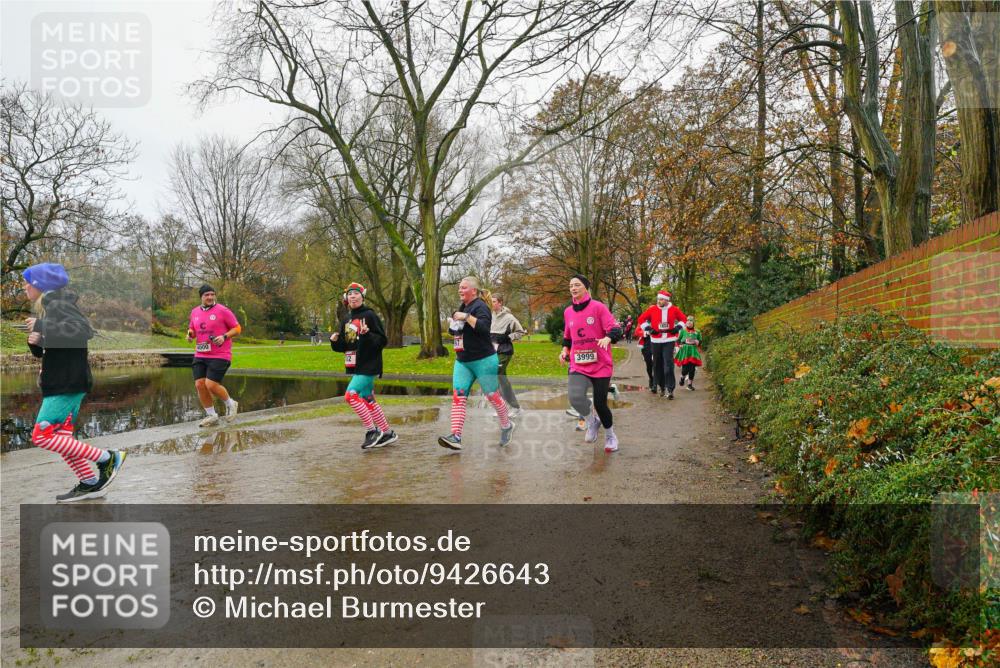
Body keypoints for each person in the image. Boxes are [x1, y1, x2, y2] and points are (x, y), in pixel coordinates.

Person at [22, 263, 127, 502]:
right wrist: (36, 342)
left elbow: (82, 331)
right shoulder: (50, 308)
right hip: (63, 381)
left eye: (28, 281)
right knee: (63, 439)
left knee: (41, 435)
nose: (25, 286)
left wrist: (41, 326)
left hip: (66, 383)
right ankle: (90, 482)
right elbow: (55, 348)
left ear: (40, 285)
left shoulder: (58, 304)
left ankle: (107, 458)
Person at [438, 277, 515, 451]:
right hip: (463, 361)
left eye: (463, 288)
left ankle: (506, 425)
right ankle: (455, 436)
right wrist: (454, 325)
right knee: (459, 395)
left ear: (473, 290)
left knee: (491, 396)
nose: (460, 290)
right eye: (459, 287)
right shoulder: (463, 306)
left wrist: (466, 317)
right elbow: (458, 331)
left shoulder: (480, 307)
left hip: (483, 360)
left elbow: (482, 328)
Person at [560, 274, 623, 453]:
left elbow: (615, 328)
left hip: (600, 363)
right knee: (575, 397)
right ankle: (592, 422)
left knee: (600, 403)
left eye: (577, 285)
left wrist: (608, 338)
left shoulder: (598, 308)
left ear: (586, 288)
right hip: (578, 363)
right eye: (571, 285)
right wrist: (564, 350)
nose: (573, 288)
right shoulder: (568, 311)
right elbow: (567, 337)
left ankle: (610, 435)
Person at [330, 282, 397, 449]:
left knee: (351, 396)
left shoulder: (370, 315)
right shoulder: (346, 319)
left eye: (356, 294)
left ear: (362, 296)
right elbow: (345, 346)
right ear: (346, 298)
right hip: (355, 365)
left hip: (369, 364)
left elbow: (382, 341)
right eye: (350, 294)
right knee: (367, 399)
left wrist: (367, 335)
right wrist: (334, 342)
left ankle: (372, 431)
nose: (353, 296)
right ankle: (387, 433)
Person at [187, 285, 241, 427]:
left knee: (211, 385)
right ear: (201, 297)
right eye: (207, 295)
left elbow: (237, 328)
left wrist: (224, 336)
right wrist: (190, 334)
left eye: (212, 294)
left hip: (220, 354)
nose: (210, 297)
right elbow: (192, 328)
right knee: (199, 384)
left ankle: (231, 403)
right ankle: (212, 415)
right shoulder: (194, 312)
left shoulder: (223, 310)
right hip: (200, 353)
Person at [636, 290, 686, 399]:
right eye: (658, 299)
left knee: (668, 365)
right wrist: (649, 328)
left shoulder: (674, 309)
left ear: (667, 300)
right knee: (657, 365)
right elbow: (641, 319)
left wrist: (678, 327)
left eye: (662, 299)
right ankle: (662, 387)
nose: (659, 301)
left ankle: (670, 389)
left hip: (669, 339)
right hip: (656, 340)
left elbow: (684, 320)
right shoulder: (652, 309)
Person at [489, 294, 527, 418]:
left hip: (505, 351)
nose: (492, 303)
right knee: (502, 380)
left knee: (495, 374)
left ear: (500, 303)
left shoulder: (509, 318)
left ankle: (509, 407)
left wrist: (509, 337)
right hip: (493, 351)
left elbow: (520, 332)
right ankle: (512, 408)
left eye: (494, 301)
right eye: (491, 301)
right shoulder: (489, 316)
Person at [675, 315, 703, 391]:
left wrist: (698, 342)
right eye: (688, 321)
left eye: (691, 321)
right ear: (686, 322)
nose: (689, 322)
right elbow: (678, 340)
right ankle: (682, 377)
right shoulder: (683, 331)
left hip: (693, 351)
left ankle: (689, 384)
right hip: (685, 351)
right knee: (685, 368)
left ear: (693, 323)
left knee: (692, 369)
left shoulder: (697, 331)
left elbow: (700, 341)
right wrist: (680, 345)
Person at [634, 320, 656, 393]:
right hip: (646, 345)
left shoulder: (659, 318)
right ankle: (651, 378)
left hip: (657, 344)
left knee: (656, 364)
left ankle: (655, 383)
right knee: (649, 364)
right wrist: (646, 333)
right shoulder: (643, 321)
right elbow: (637, 332)